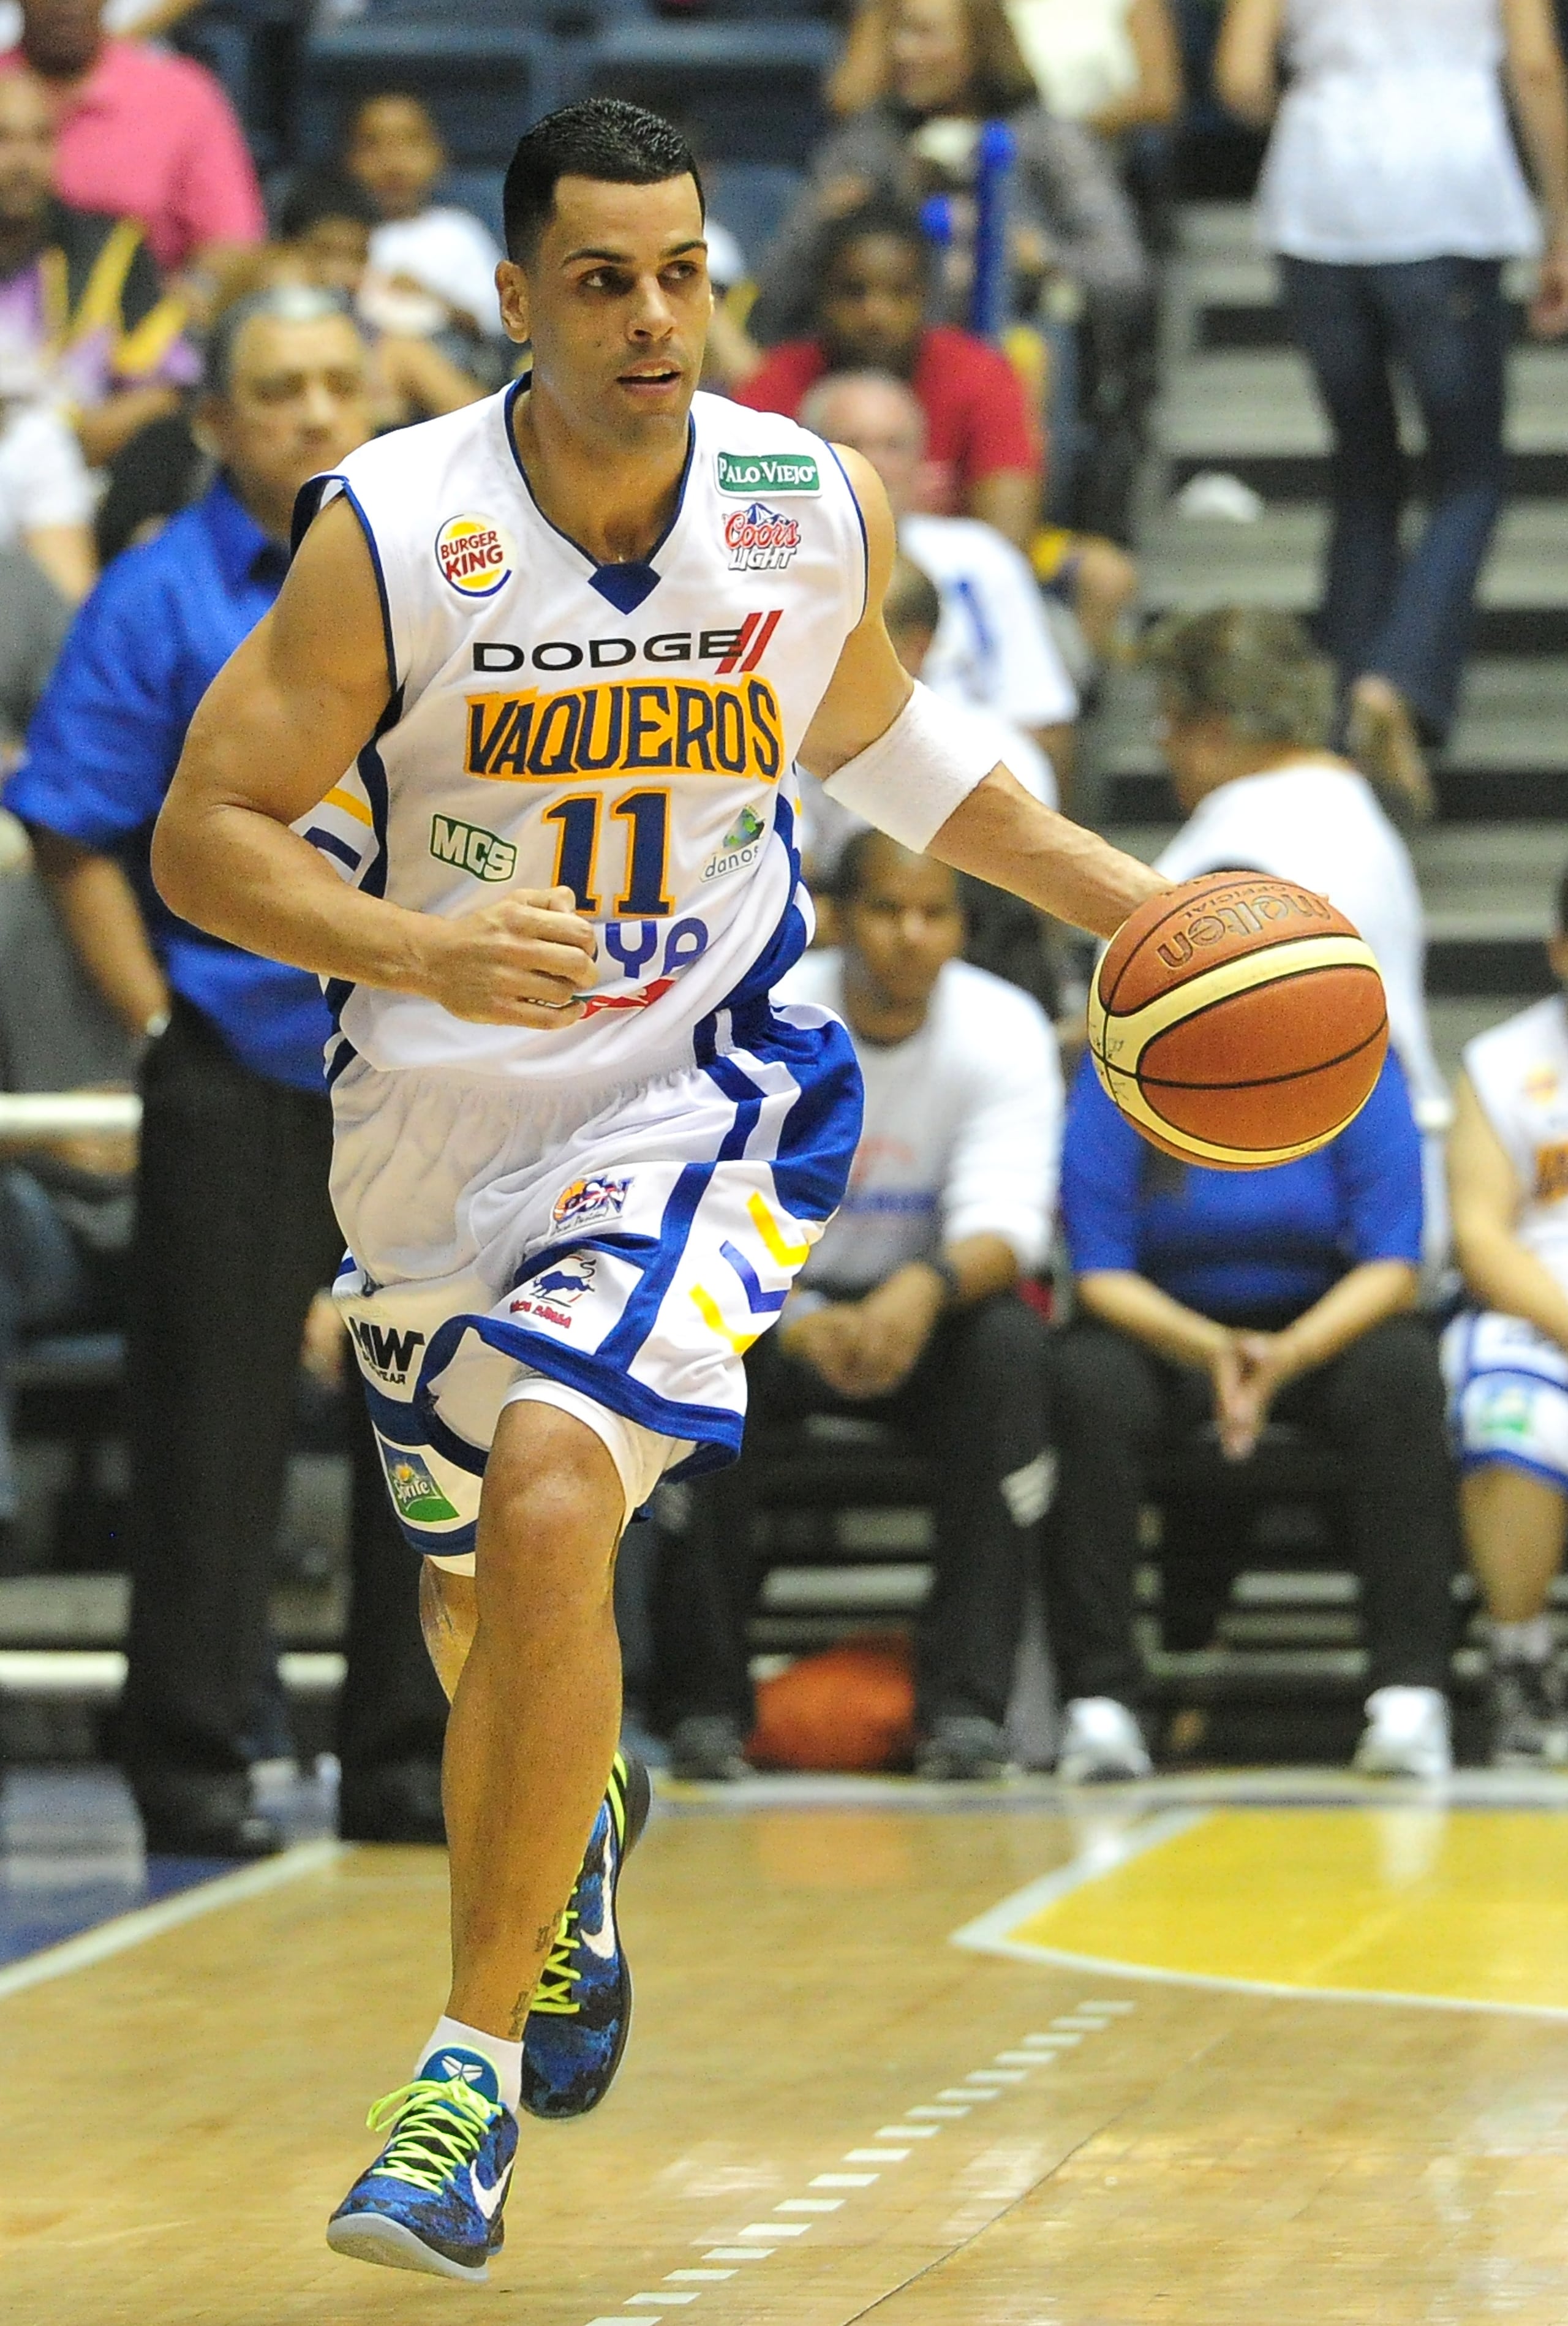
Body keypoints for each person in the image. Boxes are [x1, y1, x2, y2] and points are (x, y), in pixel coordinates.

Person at [148, 98, 1166, 2279]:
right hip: (428, 1127)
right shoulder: (395, 529)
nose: (649, 315)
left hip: (693, 1097)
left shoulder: (801, 506)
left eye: (683, 270)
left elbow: (888, 741)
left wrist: (1134, 904)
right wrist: (413, 944)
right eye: (599, 278)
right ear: (512, 300)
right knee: (480, 1609)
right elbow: (207, 833)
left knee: (543, 1502)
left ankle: (456, 2085)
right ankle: (575, 1834)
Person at [6, 284, 448, 1855]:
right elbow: (70, 831)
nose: (316, 413)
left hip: (430, 1067)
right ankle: (189, 1768)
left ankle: (410, 1763)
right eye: (279, 388)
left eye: (341, 382)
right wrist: (147, 1024)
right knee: (207, 1437)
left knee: (436, 1422)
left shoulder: (436, 576)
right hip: (237, 1066)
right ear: (214, 421)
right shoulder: (154, 595)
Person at [652, 830, 1059, 1783]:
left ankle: (965, 1712)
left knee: (1012, 1349)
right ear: (840, 918)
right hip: (774, 1304)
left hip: (932, 1308)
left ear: (962, 928)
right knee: (692, 1348)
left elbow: (1010, 1224)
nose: (910, 936)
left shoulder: (1003, 1028)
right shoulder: (775, 1016)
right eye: (887, 910)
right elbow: (709, 1194)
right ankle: (703, 1704)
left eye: (935, 914)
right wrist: (791, 1315)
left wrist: (924, 1292)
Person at [1049, 1040, 1460, 1784]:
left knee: (1402, 1371)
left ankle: (1410, 1695)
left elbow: (1393, 1262)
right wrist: (1215, 1349)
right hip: (1163, 1327)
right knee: (1085, 1380)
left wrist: (1288, 1353)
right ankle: (1099, 1701)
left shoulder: (1351, 1048)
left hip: (1319, 1324)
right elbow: (1099, 1268)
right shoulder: (1120, 1057)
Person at [1216, 0, 1568, 818]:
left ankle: (1335, 718)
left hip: (1318, 198)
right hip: (1448, 190)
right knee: (1470, 474)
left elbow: (1238, 77)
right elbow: (1538, 65)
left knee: (1363, 468)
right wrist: (1563, 218)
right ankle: (1394, 681)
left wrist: (1316, 104)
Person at [1145, 607, 1450, 1247]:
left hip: (1306, 1188)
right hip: (1395, 1175)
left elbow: (1132, 1014)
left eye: (1167, 722)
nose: (1160, 743)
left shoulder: (1233, 833)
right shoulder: (1352, 805)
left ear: (1212, 728)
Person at [752, 0, 1150, 353]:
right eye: (898, 32)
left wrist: (1040, 256)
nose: (903, 50)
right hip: (878, 376)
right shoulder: (864, 145)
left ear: (979, 44)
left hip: (1014, 355)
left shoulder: (1049, 141)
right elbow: (771, 299)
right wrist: (821, 228)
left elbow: (1123, 272)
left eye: (924, 34)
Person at [1442, 870, 1568, 1762]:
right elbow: (1480, 1236)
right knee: (1508, 1410)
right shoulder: (1503, 1063)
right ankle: (1520, 1661)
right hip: (1538, 1307)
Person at [797, 368, 1076, 770]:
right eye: (852, 445)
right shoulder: (771, 563)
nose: (873, 464)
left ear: (922, 461)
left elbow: (1040, 716)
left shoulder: (981, 558)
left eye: (893, 446)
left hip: (957, 774)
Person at [0, 69, 197, 468]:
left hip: (81, 481)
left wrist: (62, 447)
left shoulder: (113, 247)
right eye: (4, 139)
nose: (24, 160)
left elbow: (169, 390)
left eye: (41, 139)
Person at [0, 0, 265, 279]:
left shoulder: (181, 97)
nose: (67, 4)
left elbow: (233, 242)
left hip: (147, 306)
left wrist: (173, 308)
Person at [275, 168, 488, 425]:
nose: (341, 274)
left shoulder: (394, 348)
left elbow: (484, 426)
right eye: (324, 253)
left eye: (357, 257)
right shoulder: (250, 330)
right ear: (286, 252)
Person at [344, 90, 508, 349]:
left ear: (437, 155)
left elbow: (496, 320)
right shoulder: (340, 238)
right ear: (349, 160)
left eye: (411, 142)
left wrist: (429, 297)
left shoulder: (457, 233)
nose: (393, 162)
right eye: (373, 144)